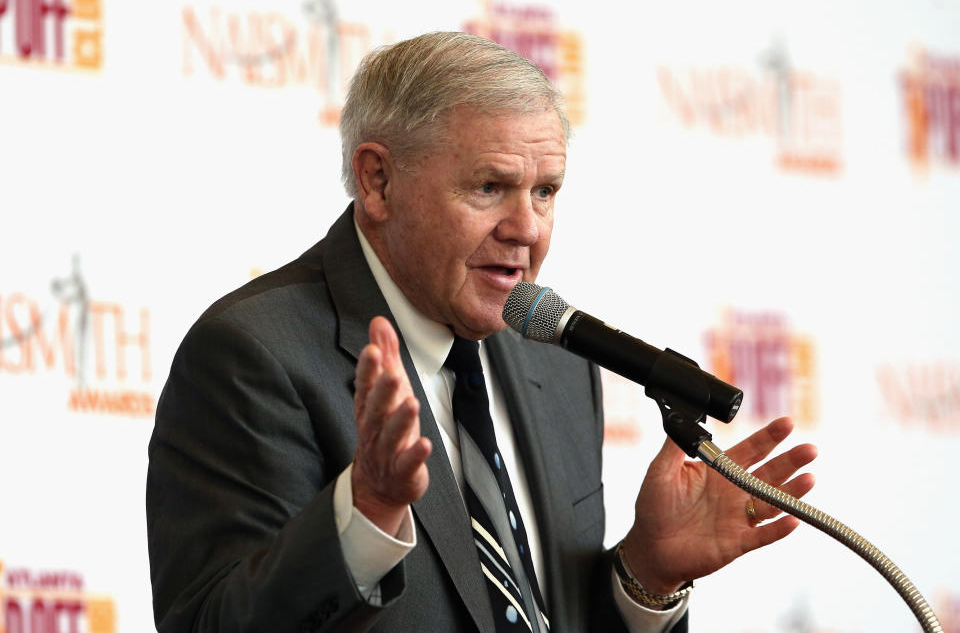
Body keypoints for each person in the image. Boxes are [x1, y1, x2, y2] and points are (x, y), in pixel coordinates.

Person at [146, 31, 817, 633]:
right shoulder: (254, 354)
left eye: (546, 191)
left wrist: (647, 573)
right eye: (491, 186)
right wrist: (366, 515)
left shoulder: (554, 359)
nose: (527, 227)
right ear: (378, 181)